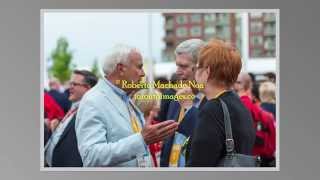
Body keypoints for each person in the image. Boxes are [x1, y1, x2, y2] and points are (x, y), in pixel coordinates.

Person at [75, 44, 178, 167]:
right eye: (139, 67)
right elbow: (91, 156)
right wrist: (142, 140)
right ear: (121, 69)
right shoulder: (93, 101)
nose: (143, 74)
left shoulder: (124, 98)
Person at [187, 39, 255, 167]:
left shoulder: (213, 109)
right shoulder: (239, 105)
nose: (195, 73)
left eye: (196, 68)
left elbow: (199, 165)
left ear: (207, 71)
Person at [160, 39, 206, 167]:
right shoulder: (176, 99)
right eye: (177, 65)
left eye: (184, 66)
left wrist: (190, 108)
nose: (178, 71)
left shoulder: (216, 101)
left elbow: (205, 140)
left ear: (201, 68)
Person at [45, 70, 98, 167]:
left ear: (88, 88)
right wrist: (59, 121)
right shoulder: (75, 106)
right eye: (70, 84)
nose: (70, 87)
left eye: (74, 84)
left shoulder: (90, 112)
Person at [234, 72, 276, 167]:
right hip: (255, 156)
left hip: (247, 156)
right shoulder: (251, 106)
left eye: (237, 82)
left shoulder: (243, 103)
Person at [132, 88, 163, 167]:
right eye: (157, 103)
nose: (159, 107)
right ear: (147, 104)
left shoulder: (157, 125)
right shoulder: (131, 126)